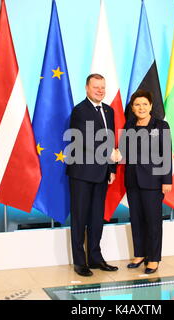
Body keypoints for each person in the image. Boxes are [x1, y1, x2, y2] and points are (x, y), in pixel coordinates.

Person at [66, 73, 119, 277]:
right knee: (80, 218)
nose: (100, 90)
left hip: (102, 173)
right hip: (81, 173)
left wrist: (112, 169)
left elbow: (111, 139)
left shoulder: (109, 110)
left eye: (103, 87)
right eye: (96, 87)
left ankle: (95, 258)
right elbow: (87, 140)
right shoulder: (80, 110)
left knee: (97, 218)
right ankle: (80, 262)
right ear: (87, 88)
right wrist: (109, 154)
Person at [121, 90, 172, 274]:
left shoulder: (161, 126)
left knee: (153, 221)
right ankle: (140, 253)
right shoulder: (128, 126)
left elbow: (166, 154)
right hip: (133, 180)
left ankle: (153, 258)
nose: (141, 108)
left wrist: (167, 180)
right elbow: (124, 153)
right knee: (136, 219)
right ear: (132, 108)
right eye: (137, 104)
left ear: (150, 106)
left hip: (153, 181)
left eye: (144, 104)